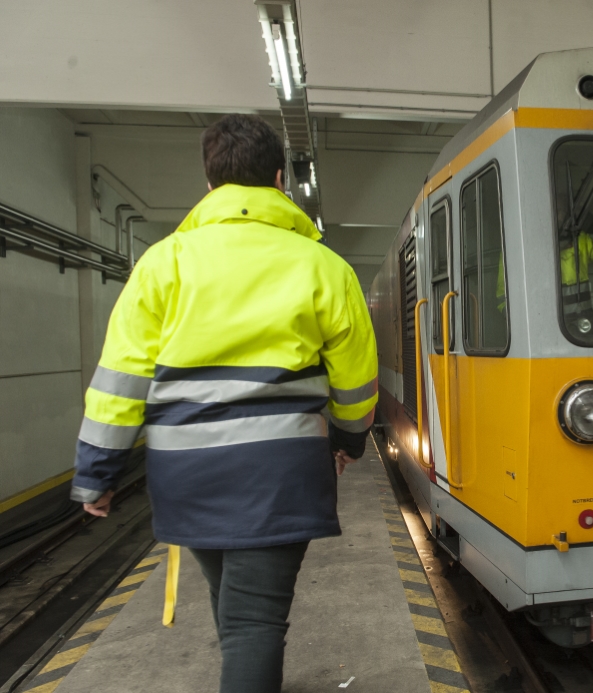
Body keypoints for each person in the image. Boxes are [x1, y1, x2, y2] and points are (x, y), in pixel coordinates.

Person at [69, 114, 378, 693]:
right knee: (253, 622)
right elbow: (355, 379)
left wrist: (98, 473)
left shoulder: (163, 263)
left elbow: (119, 380)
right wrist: (347, 440)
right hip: (279, 470)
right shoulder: (324, 267)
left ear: (210, 184)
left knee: (232, 604)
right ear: (281, 180)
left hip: (187, 472)